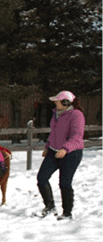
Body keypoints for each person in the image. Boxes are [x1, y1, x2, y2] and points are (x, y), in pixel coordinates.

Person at [36, 90, 85, 219]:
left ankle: (67, 213)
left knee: (64, 183)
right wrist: (48, 147)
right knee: (42, 178)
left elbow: (77, 136)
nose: (55, 103)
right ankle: (50, 206)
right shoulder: (56, 114)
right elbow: (53, 133)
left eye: (57, 101)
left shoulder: (76, 115)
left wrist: (65, 149)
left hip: (71, 153)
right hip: (54, 151)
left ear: (65, 102)